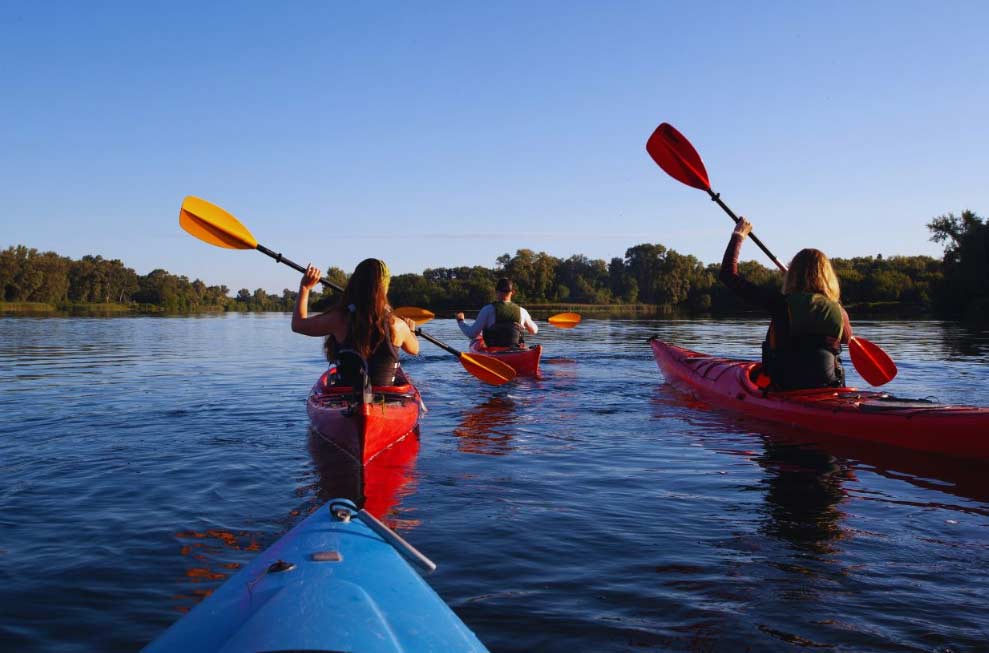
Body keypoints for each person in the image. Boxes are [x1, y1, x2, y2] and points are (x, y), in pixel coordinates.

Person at [720, 218, 851, 390]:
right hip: (830, 387)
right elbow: (848, 339)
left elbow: (728, 275)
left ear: (793, 274)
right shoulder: (839, 312)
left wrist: (738, 235)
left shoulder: (779, 304)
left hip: (785, 388)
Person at [291, 258, 419, 387]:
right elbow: (414, 350)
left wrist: (305, 287)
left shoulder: (338, 319)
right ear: (385, 287)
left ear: (355, 283)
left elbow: (298, 325)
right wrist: (411, 331)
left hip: (345, 398)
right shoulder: (397, 325)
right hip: (387, 399)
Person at [455, 277, 538, 348]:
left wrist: (460, 321)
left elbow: (472, 334)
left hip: (493, 353)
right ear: (512, 292)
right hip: (515, 352)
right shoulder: (522, 311)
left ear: (496, 291)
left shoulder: (488, 310)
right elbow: (534, 331)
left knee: (476, 338)